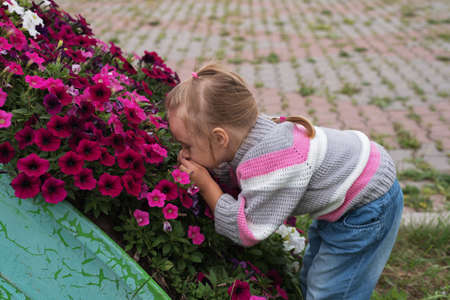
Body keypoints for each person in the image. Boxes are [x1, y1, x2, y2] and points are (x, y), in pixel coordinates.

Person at [165, 62, 403, 300]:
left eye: (187, 146)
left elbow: (247, 229)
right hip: (351, 186)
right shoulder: (249, 133)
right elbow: (231, 165)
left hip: (368, 203)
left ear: (219, 138)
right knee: (312, 277)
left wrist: (206, 185)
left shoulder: (272, 161)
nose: (184, 154)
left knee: (333, 291)